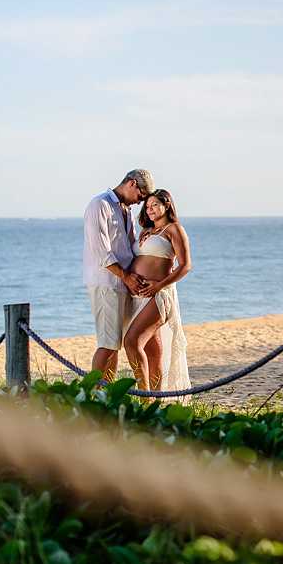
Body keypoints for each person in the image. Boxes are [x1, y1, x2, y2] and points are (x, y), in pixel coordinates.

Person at [83, 168, 154, 382]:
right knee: (107, 344)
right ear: (132, 183)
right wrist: (127, 277)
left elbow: (129, 248)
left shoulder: (126, 211)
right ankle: (93, 393)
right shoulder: (100, 205)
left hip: (122, 283)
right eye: (140, 196)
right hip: (106, 283)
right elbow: (101, 251)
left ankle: (107, 392)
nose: (140, 202)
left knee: (114, 345)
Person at [123, 189, 192, 401]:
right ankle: (156, 401)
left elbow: (185, 266)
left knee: (132, 342)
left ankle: (145, 398)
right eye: (148, 205)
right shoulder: (146, 230)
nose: (150, 209)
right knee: (153, 354)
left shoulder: (174, 229)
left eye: (155, 205)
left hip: (158, 295)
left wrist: (158, 286)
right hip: (138, 297)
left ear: (167, 205)